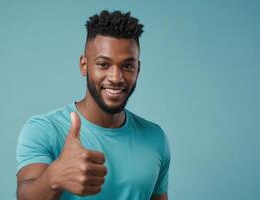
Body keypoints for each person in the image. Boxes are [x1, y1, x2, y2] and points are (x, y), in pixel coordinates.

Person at [16, 10, 171, 200]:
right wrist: (53, 178)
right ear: (84, 65)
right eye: (103, 64)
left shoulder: (155, 137)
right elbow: (24, 195)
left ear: (138, 69)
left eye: (127, 66)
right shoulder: (44, 129)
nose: (116, 78)